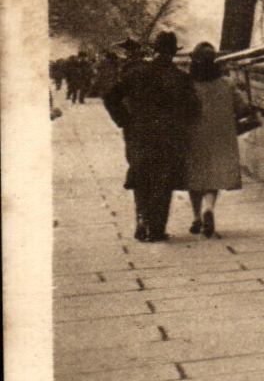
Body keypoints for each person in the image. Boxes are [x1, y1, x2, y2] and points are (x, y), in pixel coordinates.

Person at [104, 31, 199, 242]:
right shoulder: (181, 78)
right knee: (163, 182)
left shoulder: (137, 73)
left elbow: (110, 96)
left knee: (141, 177)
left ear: (154, 50)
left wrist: (124, 120)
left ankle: (141, 220)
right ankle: (156, 228)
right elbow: (193, 109)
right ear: (174, 52)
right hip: (169, 137)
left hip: (138, 134)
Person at [182, 42, 243, 238]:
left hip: (192, 136)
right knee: (212, 175)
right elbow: (242, 107)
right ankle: (209, 208)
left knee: (194, 176)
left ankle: (196, 217)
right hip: (219, 137)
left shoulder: (187, 84)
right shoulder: (227, 84)